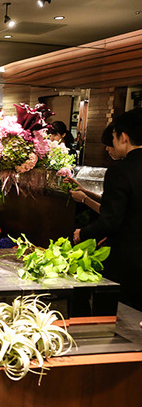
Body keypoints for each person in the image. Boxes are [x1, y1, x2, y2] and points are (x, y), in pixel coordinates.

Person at [73, 108, 142, 311]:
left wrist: (83, 233)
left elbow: (111, 220)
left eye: (113, 137)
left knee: (116, 317)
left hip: (127, 263)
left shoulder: (120, 171)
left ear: (124, 137)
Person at [66, 124, 122, 214]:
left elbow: (111, 214)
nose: (107, 149)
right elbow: (107, 201)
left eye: (110, 144)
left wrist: (85, 199)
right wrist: (84, 191)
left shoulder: (121, 171)